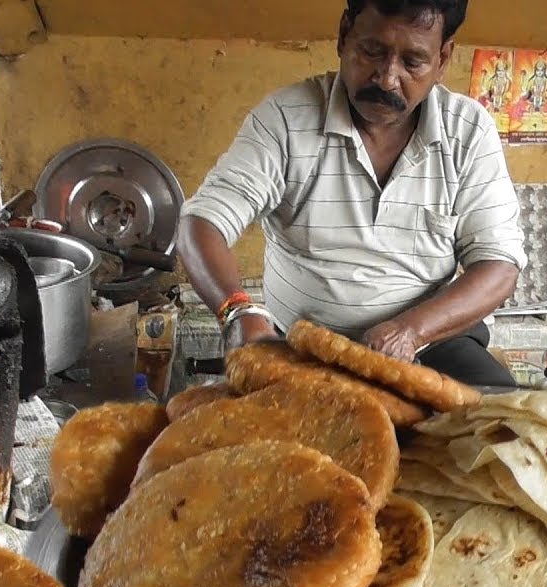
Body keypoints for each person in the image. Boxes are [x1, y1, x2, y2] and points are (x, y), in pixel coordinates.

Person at [176, 0, 527, 387]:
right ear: (344, 35)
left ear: (443, 57)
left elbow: (499, 265)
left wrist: (410, 331)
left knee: (505, 429)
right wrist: (238, 312)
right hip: (302, 346)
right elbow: (202, 221)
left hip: (432, 341)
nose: (387, 78)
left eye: (413, 62)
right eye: (373, 51)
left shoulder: (468, 131)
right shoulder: (286, 119)